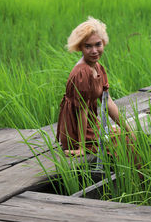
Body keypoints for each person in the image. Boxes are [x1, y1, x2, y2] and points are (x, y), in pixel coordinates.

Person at [56, 17, 135, 158]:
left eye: (98, 44)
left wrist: (129, 130)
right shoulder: (82, 73)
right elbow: (82, 111)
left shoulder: (98, 67)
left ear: (104, 43)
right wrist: (81, 147)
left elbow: (108, 102)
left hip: (91, 124)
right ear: (80, 47)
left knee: (129, 138)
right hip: (76, 132)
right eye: (88, 46)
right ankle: (135, 178)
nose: (94, 51)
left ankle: (135, 178)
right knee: (123, 144)